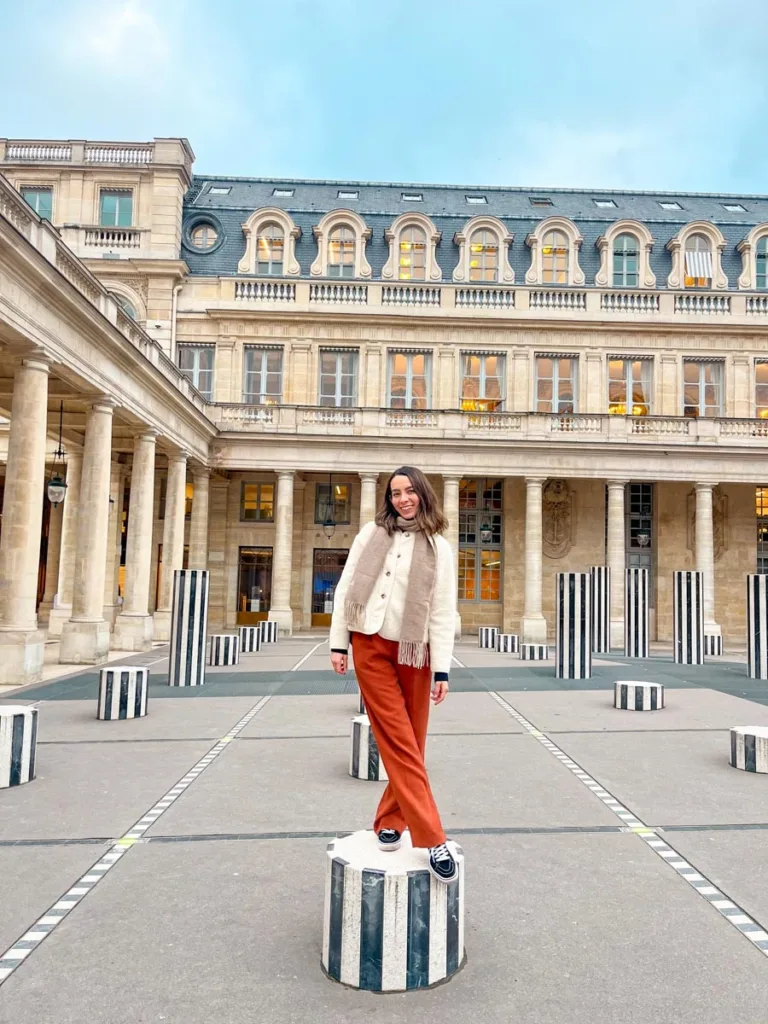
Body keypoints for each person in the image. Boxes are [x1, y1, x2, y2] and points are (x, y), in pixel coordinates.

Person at [330, 466, 458, 883]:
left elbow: (440, 612)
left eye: (409, 491)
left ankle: (389, 818)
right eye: (395, 493)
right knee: (397, 739)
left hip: (414, 650)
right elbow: (348, 586)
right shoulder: (371, 534)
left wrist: (442, 667)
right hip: (369, 644)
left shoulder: (440, 547)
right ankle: (432, 836)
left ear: (422, 494)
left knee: (412, 741)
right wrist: (338, 642)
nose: (402, 499)